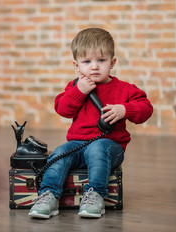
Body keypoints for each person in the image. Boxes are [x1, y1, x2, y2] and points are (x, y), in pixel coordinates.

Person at [28, 28, 153, 219]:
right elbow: (62, 109)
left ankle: (96, 195)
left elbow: (146, 108)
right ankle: (49, 195)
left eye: (101, 61)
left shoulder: (124, 89)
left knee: (97, 148)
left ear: (112, 62)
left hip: (111, 146)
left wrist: (124, 109)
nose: (94, 67)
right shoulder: (74, 87)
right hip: (78, 144)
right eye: (87, 62)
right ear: (77, 65)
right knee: (60, 153)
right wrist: (79, 91)